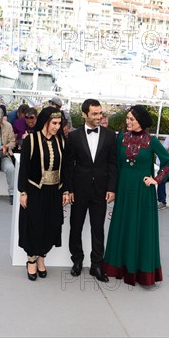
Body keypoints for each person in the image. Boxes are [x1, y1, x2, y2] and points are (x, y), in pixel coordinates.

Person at [102, 105, 169, 287]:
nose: (128, 122)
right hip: (124, 188)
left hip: (143, 192)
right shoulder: (121, 138)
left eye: (132, 119)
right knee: (123, 226)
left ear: (140, 121)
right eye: (127, 118)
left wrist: (156, 180)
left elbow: (168, 162)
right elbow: (117, 165)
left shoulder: (152, 140)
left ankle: (141, 272)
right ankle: (118, 268)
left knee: (141, 228)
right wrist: (113, 188)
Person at [67, 98, 117, 283]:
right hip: (79, 190)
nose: (99, 116)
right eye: (94, 113)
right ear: (85, 115)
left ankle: (97, 265)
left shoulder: (110, 135)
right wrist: (69, 189)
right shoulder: (73, 136)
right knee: (76, 227)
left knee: (98, 229)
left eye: (100, 113)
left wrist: (112, 188)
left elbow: (113, 164)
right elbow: (68, 166)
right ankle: (77, 261)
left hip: (101, 190)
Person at [18, 107, 70, 281]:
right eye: (54, 123)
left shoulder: (62, 141)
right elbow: (24, 168)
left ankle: (42, 258)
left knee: (51, 225)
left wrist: (65, 190)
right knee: (34, 225)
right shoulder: (31, 140)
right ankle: (31, 261)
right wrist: (23, 192)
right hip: (35, 190)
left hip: (55, 191)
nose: (57, 127)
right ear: (45, 122)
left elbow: (66, 169)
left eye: (59, 123)